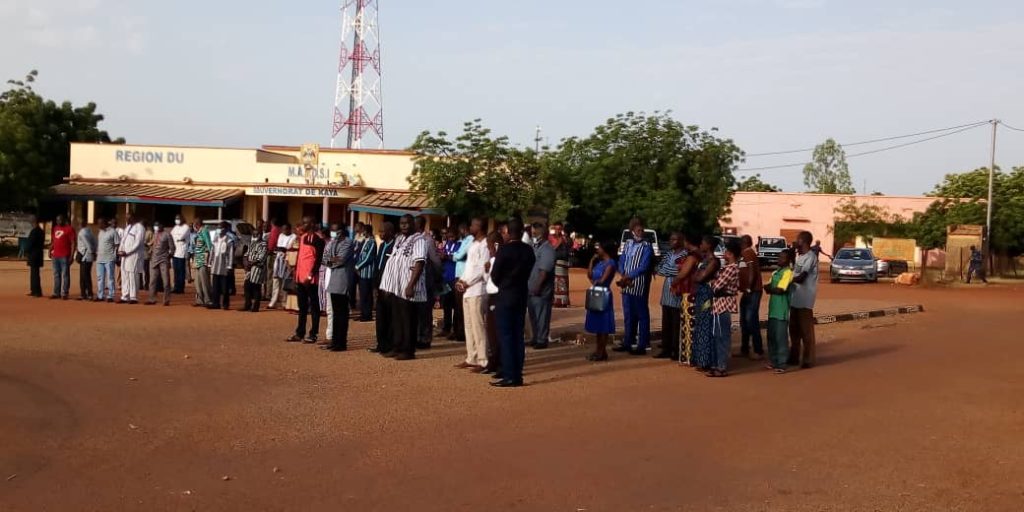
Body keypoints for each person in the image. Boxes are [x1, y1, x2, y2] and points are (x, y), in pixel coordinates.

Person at [489, 218, 535, 387]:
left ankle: (509, 375)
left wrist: (504, 283)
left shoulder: (504, 250)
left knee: (506, 336)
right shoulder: (528, 250)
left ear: (508, 231)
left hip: (505, 294)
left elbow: (495, 275)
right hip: (521, 294)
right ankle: (517, 373)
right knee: (518, 335)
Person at [378, 214, 426, 360]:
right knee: (396, 319)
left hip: (408, 285)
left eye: (407, 223)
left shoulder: (419, 240)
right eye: (401, 223)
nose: (404, 225)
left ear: (413, 224)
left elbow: (419, 263)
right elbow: (393, 261)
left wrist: (411, 285)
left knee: (408, 319)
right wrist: (387, 285)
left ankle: (408, 350)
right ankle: (397, 347)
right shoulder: (399, 239)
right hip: (395, 286)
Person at [454, 218, 490, 371]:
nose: (470, 227)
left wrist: (467, 282)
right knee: (468, 325)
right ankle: (472, 357)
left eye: (473, 225)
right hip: (467, 290)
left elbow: (482, 269)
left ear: (479, 227)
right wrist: (462, 280)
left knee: (478, 326)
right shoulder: (474, 244)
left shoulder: (485, 244)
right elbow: (469, 267)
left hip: (477, 289)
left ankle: (483, 360)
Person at [613, 218, 653, 356]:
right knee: (628, 315)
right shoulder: (628, 244)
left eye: (642, 230)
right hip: (626, 284)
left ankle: (642, 344)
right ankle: (628, 341)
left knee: (642, 315)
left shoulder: (646, 246)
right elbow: (621, 260)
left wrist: (629, 276)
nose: (640, 232)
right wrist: (623, 273)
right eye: (638, 230)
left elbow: (644, 266)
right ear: (632, 231)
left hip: (638, 284)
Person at [286, 217, 325, 343]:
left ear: (312, 224)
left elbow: (318, 260)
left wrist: (310, 275)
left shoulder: (318, 239)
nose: (303, 225)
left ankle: (313, 334)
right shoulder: (302, 238)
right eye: (302, 222)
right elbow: (299, 257)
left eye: (305, 223)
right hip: (300, 276)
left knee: (314, 306)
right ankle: (300, 332)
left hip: (310, 279)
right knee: (302, 306)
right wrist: (296, 275)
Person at [708, 240, 741, 378]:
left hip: (723, 305)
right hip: (719, 305)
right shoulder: (728, 268)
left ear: (731, 254)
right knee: (718, 337)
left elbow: (715, 286)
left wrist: (714, 284)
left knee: (721, 337)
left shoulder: (731, 269)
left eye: (726, 251)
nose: (724, 253)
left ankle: (721, 367)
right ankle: (718, 365)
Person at [690, 235, 721, 371]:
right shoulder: (705, 260)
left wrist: (697, 275)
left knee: (705, 325)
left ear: (708, 245)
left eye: (702, 243)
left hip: (707, 297)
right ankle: (699, 358)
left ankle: (705, 361)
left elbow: (700, 277)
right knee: (700, 324)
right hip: (700, 294)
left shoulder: (714, 262)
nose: (700, 245)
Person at [789, 231, 819, 369]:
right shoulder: (799, 257)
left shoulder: (811, 257)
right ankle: (794, 357)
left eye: (798, 240)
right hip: (795, 298)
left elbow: (802, 277)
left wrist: (787, 281)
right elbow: (793, 271)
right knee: (794, 331)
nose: (796, 242)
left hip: (805, 300)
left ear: (804, 241)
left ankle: (808, 359)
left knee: (806, 332)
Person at [654, 232, 687, 360]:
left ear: (681, 240)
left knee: (676, 323)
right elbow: (659, 269)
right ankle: (666, 348)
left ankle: (675, 350)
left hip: (677, 292)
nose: (671, 241)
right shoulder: (669, 254)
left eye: (674, 239)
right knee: (666, 323)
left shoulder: (684, 255)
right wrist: (670, 270)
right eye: (670, 239)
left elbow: (679, 271)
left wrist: (668, 270)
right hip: (666, 292)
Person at [671, 233, 702, 364]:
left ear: (688, 242)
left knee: (689, 325)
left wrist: (674, 283)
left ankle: (689, 356)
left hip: (689, 293)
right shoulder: (700, 255)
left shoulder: (692, 256)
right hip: (695, 292)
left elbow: (683, 273)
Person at [584, 240, 617, 361]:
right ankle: (600, 351)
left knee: (603, 325)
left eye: (600, 248)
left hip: (604, 294)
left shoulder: (611, 263)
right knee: (599, 325)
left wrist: (595, 282)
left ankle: (601, 351)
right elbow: (590, 275)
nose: (598, 249)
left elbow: (603, 280)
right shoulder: (600, 262)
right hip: (597, 293)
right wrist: (592, 261)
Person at [322, 223, 354, 351]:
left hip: (342, 280)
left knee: (342, 313)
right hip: (333, 280)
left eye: (335, 231)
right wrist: (332, 260)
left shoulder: (348, 242)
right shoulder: (333, 242)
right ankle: (335, 341)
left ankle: (341, 342)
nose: (333, 233)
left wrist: (331, 261)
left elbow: (341, 260)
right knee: (335, 313)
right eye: (332, 230)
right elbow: (324, 259)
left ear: (341, 231)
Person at [763, 248, 795, 374]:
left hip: (782, 310)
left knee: (781, 338)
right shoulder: (776, 272)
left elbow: (781, 289)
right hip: (773, 309)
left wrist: (771, 289)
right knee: (771, 337)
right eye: (779, 257)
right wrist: (772, 289)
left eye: (782, 258)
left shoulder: (788, 273)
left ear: (788, 260)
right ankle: (773, 360)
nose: (779, 259)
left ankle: (781, 363)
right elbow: (768, 287)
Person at [527, 220, 556, 349]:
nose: (533, 235)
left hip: (541, 290)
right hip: (531, 288)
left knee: (542, 315)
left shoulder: (547, 249)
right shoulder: (534, 247)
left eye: (535, 233)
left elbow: (544, 271)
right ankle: (535, 337)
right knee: (533, 315)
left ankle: (541, 339)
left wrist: (538, 286)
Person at [371, 221, 396, 354]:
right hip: (379, 285)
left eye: (382, 231)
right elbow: (377, 266)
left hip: (390, 287)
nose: (380, 234)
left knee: (390, 317)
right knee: (380, 318)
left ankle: (390, 345)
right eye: (379, 231)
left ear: (390, 232)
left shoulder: (395, 247)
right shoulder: (381, 246)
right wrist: (375, 286)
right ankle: (381, 344)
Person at [416, 217, 441, 349]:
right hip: (415, 281)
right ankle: (416, 336)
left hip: (426, 280)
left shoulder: (428, 240)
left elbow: (435, 261)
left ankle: (425, 339)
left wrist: (437, 278)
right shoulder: (412, 239)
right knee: (417, 311)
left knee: (425, 311)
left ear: (419, 225)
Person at [738, 234, 764, 359]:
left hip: (753, 291)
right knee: (744, 320)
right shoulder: (745, 253)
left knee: (751, 319)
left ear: (743, 243)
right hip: (748, 291)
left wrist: (748, 287)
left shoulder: (748, 253)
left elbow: (752, 270)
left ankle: (758, 350)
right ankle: (745, 349)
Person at [481, 229, 503, 376]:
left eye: (489, 247)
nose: (489, 250)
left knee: (496, 331)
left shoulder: (501, 258)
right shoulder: (493, 259)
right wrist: (486, 270)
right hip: (490, 295)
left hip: (498, 296)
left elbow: (497, 280)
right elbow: (487, 278)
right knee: (490, 331)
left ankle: (498, 361)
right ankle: (493, 360)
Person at [439, 226, 463, 339]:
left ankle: (456, 329)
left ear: (457, 235)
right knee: (446, 305)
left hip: (455, 278)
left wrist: (447, 257)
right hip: (446, 278)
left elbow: (458, 257)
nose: (450, 238)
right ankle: (446, 328)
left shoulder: (460, 245)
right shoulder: (447, 244)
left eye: (452, 236)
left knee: (456, 306)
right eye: (449, 236)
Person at [118, 215, 145, 304]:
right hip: (124, 255)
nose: (127, 219)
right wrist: (120, 250)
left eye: (128, 218)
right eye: (126, 218)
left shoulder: (140, 228)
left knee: (132, 276)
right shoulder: (128, 227)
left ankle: (133, 297)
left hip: (133, 255)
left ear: (133, 218)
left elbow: (137, 243)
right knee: (124, 275)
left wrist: (127, 252)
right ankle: (124, 296)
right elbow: (123, 240)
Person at [353, 224, 378, 322]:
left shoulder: (372, 242)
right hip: (362, 273)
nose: (362, 233)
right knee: (362, 295)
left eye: (364, 231)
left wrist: (357, 266)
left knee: (367, 295)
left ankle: (367, 315)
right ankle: (363, 313)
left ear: (367, 232)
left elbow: (368, 258)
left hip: (368, 273)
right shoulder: (365, 241)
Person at [209, 221, 236, 310]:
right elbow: (212, 252)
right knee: (215, 287)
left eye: (221, 228)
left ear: (226, 229)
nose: (219, 229)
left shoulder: (229, 240)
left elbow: (230, 254)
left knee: (225, 288)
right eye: (218, 227)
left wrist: (229, 266)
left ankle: (225, 304)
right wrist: (209, 263)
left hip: (224, 267)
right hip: (215, 266)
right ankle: (215, 303)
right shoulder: (215, 239)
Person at [146, 222, 175, 306]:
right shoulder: (155, 234)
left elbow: (172, 247)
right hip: (154, 259)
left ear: (161, 226)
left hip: (163, 260)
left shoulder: (167, 235)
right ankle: (152, 299)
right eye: (155, 226)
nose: (156, 227)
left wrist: (169, 256)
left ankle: (166, 300)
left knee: (166, 281)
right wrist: (149, 251)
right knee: (152, 281)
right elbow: (152, 245)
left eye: (158, 225)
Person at [268, 223, 296, 309]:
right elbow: (279, 246)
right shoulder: (281, 235)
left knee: (285, 282)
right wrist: (281, 249)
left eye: (286, 229)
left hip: (287, 260)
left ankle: (284, 302)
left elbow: (287, 247)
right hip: (278, 259)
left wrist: (282, 249)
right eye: (283, 229)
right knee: (276, 281)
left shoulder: (293, 236)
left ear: (289, 229)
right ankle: (273, 302)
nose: (284, 231)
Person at [242, 228, 269, 313]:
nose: (255, 236)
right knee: (247, 286)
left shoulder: (263, 244)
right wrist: (246, 262)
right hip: (249, 267)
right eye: (254, 234)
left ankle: (255, 306)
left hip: (258, 267)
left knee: (256, 287)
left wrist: (251, 263)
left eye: (256, 234)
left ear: (260, 235)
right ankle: (247, 304)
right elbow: (246, 254)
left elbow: (262, 257)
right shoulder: (251, 243)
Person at [50, 214, 76, 300]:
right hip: (55, 256)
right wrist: (50, 249)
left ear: (64, 220)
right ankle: (56, 292)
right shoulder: (55, 228)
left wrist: (72, 256)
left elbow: (73, 243)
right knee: (56, 274)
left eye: (60, 220)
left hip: (65, 256)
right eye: (57, 220)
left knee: (65, 275)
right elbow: (54, 241)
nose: (58, 221)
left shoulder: (69, 229)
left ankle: (65, 293)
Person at [95, 218, 119, 302]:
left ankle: (110, 296)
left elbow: (117, 244)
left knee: (110, 278)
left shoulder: (113, 232)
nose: (98, 225)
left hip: (109, 258)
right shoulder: (100, 232)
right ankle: (100, 295)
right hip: (100, 259)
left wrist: (115, 256)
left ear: (104, 223)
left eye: (100, 223)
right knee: (100, 278)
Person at [190, 219, 213, 307]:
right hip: (197, 260)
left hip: (203, 260)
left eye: (194, 224)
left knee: (204, 281)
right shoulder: (198, 233)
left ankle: (208, 300)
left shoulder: (204, 231)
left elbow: (209, 245)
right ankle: (200, 300)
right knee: (197, 282)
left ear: (197, 224)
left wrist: (209, 260)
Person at [550, 222, 571, 308]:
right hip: (555, 262)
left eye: (559, 229)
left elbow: (570, 247)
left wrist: (565, 240)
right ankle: (555, 300)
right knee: (555, 282)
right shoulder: (551, 238)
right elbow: (551, 250)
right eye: (556, 229)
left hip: (564, 263)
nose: (558, 231)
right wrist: (559, 243)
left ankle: (563, 301)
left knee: (563, 282)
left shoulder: (566, 238)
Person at [75, 220, 97, 301]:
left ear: (81, 225)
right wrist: (94, 252)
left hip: (85, 257)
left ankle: (88, 294)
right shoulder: (90, 231)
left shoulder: (82, 233)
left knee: (84, 277)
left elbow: (88, 244)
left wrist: (92, 252)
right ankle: (84, 294)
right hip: (89, 257)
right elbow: (95, 242)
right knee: (86, 276)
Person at [170, 214, 191, 294]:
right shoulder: (175, 227)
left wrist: (177, 237)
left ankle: (181, 288)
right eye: (176, 218)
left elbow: (181, 237)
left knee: (181, 270)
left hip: (182, 252)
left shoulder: (186, 227)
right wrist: (177, 238)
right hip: (175, 252)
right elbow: (171, 236)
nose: (177, 220)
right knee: (175, 270)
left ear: (182, 219)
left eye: (178, 218)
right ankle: (176, 286)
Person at [26, 216, 45, 298]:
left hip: (34, 255)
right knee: (34, 273)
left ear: (33, 221)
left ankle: (37, 291)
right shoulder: (40, 231)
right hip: (38, 254)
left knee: (35, 274)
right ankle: (34, 290)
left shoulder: (35, 231)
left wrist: (27, 249)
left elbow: (31, 243)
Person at [264, 218, 281, 300]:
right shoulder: (279, 230)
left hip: (272, 254)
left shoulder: (274, 230)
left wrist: (269, 251)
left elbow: (272, 243)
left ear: (272, 223)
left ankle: (269, 294)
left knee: (270, 274)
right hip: (277, 254)